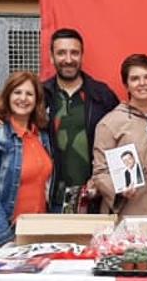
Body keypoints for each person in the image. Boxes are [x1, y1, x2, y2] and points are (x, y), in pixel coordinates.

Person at [43, 28, 119, 212]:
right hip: (50, 200)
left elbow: (120, 140)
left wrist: (105, 179)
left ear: (82, 56)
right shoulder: (40, 94)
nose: (68, 59)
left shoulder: (101, 95)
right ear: (51, 57)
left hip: (93, 198)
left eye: (74, 52)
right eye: (61, 53)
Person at [0, 72, 53, 250]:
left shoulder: (41, 136)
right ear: (8, 95)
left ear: (37, 100)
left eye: (29, 94)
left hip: (39, 230)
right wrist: (4, 237)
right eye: (17, 92)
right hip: (9, 231)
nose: (23, 99)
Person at [91, 55, 147, 217]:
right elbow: (100, 172)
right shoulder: (110, 123)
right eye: (135, 79)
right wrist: (117, 189)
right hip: (128, 212)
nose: (142, 83)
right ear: (126, 84)